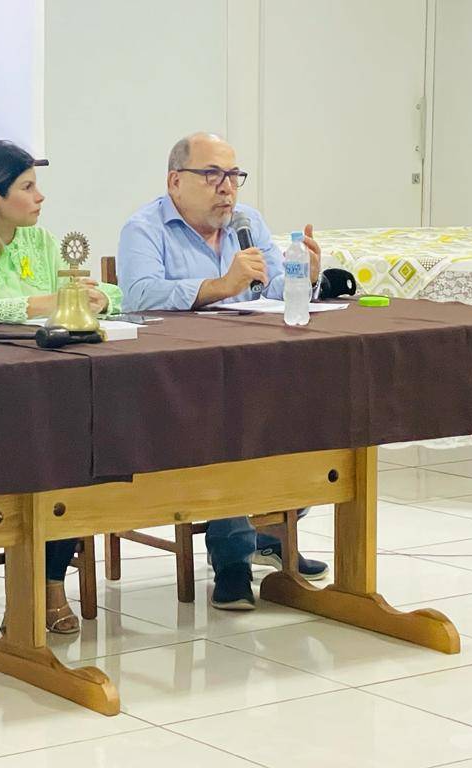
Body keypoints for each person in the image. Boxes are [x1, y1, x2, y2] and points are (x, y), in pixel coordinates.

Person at [117, 131, 328, 610]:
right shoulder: (144, 229)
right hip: (179, 383)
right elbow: (140, 296)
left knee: (315, 403)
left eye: (234, 175)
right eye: (212, 174)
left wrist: (305, 277)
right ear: (175, 181)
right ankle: (233, 558)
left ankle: (274, 530)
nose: (227, 187)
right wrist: (221, 284)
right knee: (228, 424)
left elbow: (271, 288)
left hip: (253, 369)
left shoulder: (247, 223)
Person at [0, 139, 122, 632]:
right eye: (28, 187)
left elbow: (102, 294)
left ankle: (48, 582)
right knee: (46, 455)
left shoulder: (40, 240)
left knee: (77, 452)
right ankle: (35, 588)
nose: (40, 197)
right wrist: (37, 304)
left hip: (47, 383)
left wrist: (98, 298)